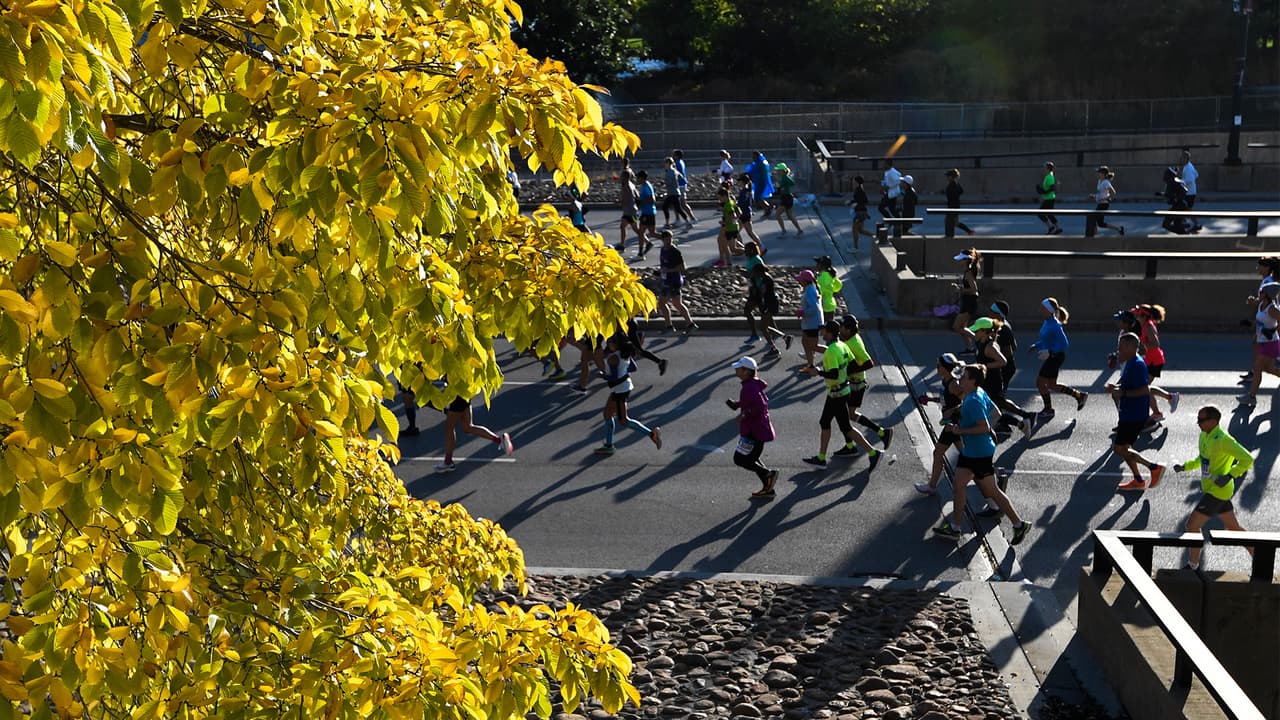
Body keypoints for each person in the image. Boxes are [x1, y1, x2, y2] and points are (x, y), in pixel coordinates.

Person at [932, 364, 1030, 545]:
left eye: (964, 377)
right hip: (974, 451)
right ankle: (955, 527)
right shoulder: (977, 393)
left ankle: (1019, 524)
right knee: (959, 485)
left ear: (972, 381)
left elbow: (984, 425)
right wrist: (957, 411)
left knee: (991, 490)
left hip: (978, 454)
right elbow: (996, 414)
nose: (960, 379)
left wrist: (960, 430)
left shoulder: (973, 401)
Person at [1173, 405, 1255, 569]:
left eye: (1201, 420)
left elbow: (1248, 459)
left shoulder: (1224, 440)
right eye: (1198, 419)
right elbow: (1202, 459)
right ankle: (1259, 555)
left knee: (1192, 526)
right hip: (1213, 489)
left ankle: (1193, 565)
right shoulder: (1204, 435)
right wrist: (1185, 467)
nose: (1198, 423)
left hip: (1218, 491)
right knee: (1233, 527)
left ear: (1213, 421)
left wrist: (1230, 475)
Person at [800, 320, 881, 470]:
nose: (822, 333)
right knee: (841, 425)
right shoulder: (843, 346)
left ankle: (822, 458)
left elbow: (834, 374)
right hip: (843, 391)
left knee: (830, 423)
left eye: (824, 331)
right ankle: (871, 452)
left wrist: (817, 372)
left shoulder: (831, 351)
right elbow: (854, 365)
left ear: (829, 333)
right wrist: (844, 375)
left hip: (836, 393)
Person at [1106, 333, 1165, 491]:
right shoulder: (1130, 362)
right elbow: (1129, 386)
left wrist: (1122, 393)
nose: (1119, 350)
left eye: (1122, 347)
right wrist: (1116, 389)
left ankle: (1154, 467)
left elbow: (1144, 391)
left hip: (1133, 415)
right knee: (1125, 448)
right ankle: (1138, 480)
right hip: (1130, 413)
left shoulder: (1137, 365)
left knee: (1120, 449)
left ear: (1132, 347)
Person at [967, 317, 1036, 439]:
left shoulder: (990, 347)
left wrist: (984, 366)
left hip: (993, 382)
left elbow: (1003, 361)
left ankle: (1022, 422)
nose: (975, 333)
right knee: (997, 405)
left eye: (977, 330)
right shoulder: (980, 342)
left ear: (984, 331)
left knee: (992, 408)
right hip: (985, 381)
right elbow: (972, 337)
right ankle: (1024, 418)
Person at [593, 334, 662, 455]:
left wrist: (602, 375)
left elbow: (613, 377)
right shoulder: (625, 354)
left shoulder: (613, 358)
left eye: (609, 342)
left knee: (624, 420)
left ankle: (651, 434)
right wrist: (623, 371)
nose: (607, 344)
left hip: (620, 390)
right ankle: (609, 445)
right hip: (623, 388)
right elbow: (633, 368)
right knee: (607, 414)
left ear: (614, 344)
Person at [838, 314, 894, 452]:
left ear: (848, 330)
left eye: (842, 328)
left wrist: (851, 371)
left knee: (843, 415)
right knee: (848, 415)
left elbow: (869, 362)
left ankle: (851, 447)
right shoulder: (851, 338)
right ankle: (881, 433)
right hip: (854, 383)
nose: (840, 330)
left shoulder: (854, 344)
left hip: (855, 384)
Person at [726, 356, 779, 499]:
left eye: (739, 368)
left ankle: (769, 474)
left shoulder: (749, 387)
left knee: (740, 459)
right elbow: (754, 402)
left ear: (746, 371)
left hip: (754, 431)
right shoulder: (751, 384)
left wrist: (744, 415)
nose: (736, 370)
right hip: (756, 429)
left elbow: (760, 405)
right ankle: (768, 488)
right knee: (753, 458)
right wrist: (737, 405)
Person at [1028, 297, 1088, 417]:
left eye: (1043, 308)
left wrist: (1050, 352)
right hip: (1052, 356)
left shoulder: (1055, 325)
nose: (1040, 310)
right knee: (1051, 385)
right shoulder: (1047, 322)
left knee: (1040, 383)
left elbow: (1064, 344)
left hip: (1056, 357)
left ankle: (1048, 409)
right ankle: (1079, 395)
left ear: (1049, 311)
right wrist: (1036, 345)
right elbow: (1047, 340)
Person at [914, 353, 964, 496]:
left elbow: (966, 399)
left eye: (938, 365)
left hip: (952, 424)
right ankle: (994, 475)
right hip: (951, 423)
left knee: (938, 452)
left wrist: (952, 411)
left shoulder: (954, 384)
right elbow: (947, 399)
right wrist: (930, 399)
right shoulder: (946, 381)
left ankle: (932, 485)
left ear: (945, 368)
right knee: (967, 454)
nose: (936, 367)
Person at [434, 394, 515, 472]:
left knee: (449, 428)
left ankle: (448, 462)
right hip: (465, 393)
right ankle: (499, 440)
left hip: (458, 395)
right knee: (468, 427)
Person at [1130, 304, 1179, 425]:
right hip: (1149, 361)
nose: (1135, 317)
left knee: (1144, 388)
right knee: (1145, 388)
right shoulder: (1142, 325)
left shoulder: (1148, 327)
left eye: (1137, 315)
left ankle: (1158, 412)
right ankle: (1170, 398)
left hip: (1154, 361)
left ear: (1144, 316)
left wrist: (1141, 344)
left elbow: (1156, 344)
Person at [1242, 281, 1280, 408]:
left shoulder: (1272, 309)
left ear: (1268, 294)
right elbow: (1260, 320)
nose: (1260, 292)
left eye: (1262, 291)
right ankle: (1251, 396)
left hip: (1271, 343)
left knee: (1257, 368)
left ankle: (1251, 397)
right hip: (1262, 341)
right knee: (1270, 369)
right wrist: (1250, 323)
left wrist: (1273, 330)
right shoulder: (1261, 304)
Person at [746, 263, 791, 356]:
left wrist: (763, 305)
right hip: (768, 304)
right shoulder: (764, 279)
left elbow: (763, 294)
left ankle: (774, 348)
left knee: (763, 327)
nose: (754, 274)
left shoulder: (767, 280)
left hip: (770, 305)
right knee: (766, 327)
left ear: (759, 272)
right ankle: (785, 337)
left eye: (755, 272)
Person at [657, 230, 695, 339]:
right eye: (667, 239)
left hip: (674, 281)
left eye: (670, 238)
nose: (669, 241)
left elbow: (682, 268)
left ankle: (679, 326)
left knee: (675, 303)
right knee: (665, 303)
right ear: (663, 239)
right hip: (666, 280)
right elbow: (664, 264)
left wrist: (668, 270)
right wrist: (661, 271)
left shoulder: (675, 251)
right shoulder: (663, 250)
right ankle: (682, 325)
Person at [952, 249, 981, 354]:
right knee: (963, 327)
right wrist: (961, 288)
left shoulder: (968, 273)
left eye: (961, 259)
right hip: (968, 302)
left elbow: (974, 289)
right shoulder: (967, 271)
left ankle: (980, 341)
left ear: (965, 260)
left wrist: (961, 289)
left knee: (956, 327)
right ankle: (970, 348)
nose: (959, 261)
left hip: (970, 303)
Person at [1087, 165, 1125, 237]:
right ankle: (1119, 228)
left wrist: (1106, 199)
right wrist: (1094, 196)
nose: (1097, 174)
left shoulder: (1106, 182)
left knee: (1093, 218)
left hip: (1104, 204)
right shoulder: (1099, 181)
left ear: (1103, 174)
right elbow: (1101, 193)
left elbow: (1113, 192)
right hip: (1100, 203)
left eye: (1099, 172)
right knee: (1100, 223)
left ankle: (1093, 235)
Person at [796, 269, 823, 367]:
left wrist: (803, 312)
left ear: (805, 281)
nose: (798, 281)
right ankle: (810, 365)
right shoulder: (810, 289)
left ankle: (836, 352)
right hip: (810, 323)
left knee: (813, 346)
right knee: (805, 342)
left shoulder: (810, 291)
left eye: (800, 280)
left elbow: (814, 308)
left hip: (813, 324)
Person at [1159, 167, 1192, 235]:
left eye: (1166, 174)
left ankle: (1184, 232)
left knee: (1166, 224)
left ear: (1169, 174)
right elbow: (1183, 190)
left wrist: (1177, 198)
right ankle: (1183, 232)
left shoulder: (1171, 182)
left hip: (1178, 206)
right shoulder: (1175, 181)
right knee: (1177, 224)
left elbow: (1183, 190)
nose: (1164, 176)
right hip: (1180, 205)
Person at [617, 167, 644, 253]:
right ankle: (622, 245)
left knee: (636, 229)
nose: (620, 178)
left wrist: (620, 203)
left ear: (625, 177)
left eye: (622, 176)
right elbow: (637, 195)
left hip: (630, 212)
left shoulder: (626, 187)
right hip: (631, 211)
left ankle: (647, 242)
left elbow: (624, 200)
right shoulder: (631, 185)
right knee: (623, 226)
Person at [736, 174, 765, 251]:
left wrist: (736, 205)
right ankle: (741, 248)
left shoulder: (744, 192)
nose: (738, 183)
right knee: (737, 232)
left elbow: (742, 202)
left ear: (742, 182)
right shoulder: (747, 190)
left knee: (749, 232)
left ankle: (760, 247)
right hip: (745, 213)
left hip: (744, 214)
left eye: (739, 181)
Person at [714, 187, 741, 268]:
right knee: (727, 245)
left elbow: (733, 215)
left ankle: (752, 252)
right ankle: (726, 262)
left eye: (720, 198)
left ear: (724, 196)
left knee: (730, 247)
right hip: (732, 227)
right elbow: (739, 212)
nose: (719, 200)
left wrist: (725, 222)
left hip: (729, 227)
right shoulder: (732, 202)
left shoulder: (728, 205)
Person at [661, 157, 691, 228]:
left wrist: (664, 182)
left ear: (668, 163)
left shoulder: (670, 172)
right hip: (674, 192)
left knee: (665, 207)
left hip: (673, 193)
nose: (664, 165)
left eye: (665, 163)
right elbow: (681, 177)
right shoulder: (673, 170)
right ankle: (687, 222)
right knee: (678, 208)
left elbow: (670, 182)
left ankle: (668, 223)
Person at [848, 175, 876, 250]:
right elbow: (860, 200)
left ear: (857, 182)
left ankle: (855, 248)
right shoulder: (859, 189)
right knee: (861, 230)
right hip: (861, 212)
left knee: (855, 230)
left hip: (860, 213)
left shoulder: (859, 190)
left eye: (854, 181)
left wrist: (855, 203)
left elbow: (864, 201)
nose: (852, 183)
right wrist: (851, 202)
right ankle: (877, 237)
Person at [943, 169, 973, 237]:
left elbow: (952, 194)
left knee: (948, 221)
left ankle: (949, 236)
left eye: (948, 176)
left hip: (952, 206)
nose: (947, 178)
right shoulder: (956, 183)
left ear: (951, 177)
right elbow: (961, 191)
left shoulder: (952, 185)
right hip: (956, 206)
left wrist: (951, 198)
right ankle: (969, 231)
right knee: (955, 223)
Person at [774, 163, 803, 234]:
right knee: (790, 216)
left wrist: (779, 185)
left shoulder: (784, 178)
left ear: (782, 171)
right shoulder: (785, 177)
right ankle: (799, 230)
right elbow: (792, 183)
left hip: (786, 198)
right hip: (788, 197)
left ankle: (784, 231)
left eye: (778, 170)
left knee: (777, 214)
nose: (777, 172)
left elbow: (779, 186)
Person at [634, 170, 657, 257]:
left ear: (642, 178)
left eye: (638, 177)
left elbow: (652, 200)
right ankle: (667, 239)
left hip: (648, 212)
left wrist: (641, 201)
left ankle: (640, 253)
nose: (637, 179)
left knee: (641, 233)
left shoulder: (647, 187)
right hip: (647, 212)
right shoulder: (644, 186)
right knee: (652, 233)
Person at [745, 151, 775, 216]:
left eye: (754, 156)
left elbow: (756, 172)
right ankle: (767, 208)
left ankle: (768, 207)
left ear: (757, 156)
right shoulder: (759, 163)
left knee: (758, 197)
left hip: (761, 182)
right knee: (758, 197)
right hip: (759, 182)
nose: (752, 158)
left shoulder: (761, 163)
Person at [1179, 148, 1201, 233]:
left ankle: (1197, 224)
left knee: (1187, 209)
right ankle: (1183, 222)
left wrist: (1181, 182)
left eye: (1182, 158)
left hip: (1189, 193)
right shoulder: (1190, 166)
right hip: (1191, 191)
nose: (1181, 159)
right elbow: (1196, 175)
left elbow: (1190, 179)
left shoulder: (1187, 168)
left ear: (1186, 159)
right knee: (1183, 208)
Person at [672, 149, 696, 226]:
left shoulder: (677, 164)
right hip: (682, 184)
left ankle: (689, 218)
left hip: (680, 185)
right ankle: (680, 219)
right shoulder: (681, 162)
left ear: (677, 156)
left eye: (674, 155)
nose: (673, 156)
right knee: (678, 203)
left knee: (680, 203)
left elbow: (677, 175)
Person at [1036, 161, 1061, 235]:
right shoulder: (1049, 175)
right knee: (1048, 214)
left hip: (1049, 198)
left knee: (1041, 214)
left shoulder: (1049, 176)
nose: (1043, 168)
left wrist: (1042, 191)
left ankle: (1053, 227)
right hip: (1048, 198)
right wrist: (1041, 190)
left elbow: (1051, 189)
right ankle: (1055, 227)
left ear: (1047, 168)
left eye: (1044, 167)